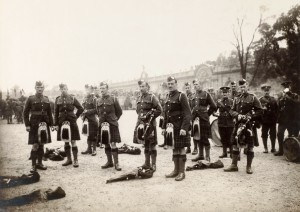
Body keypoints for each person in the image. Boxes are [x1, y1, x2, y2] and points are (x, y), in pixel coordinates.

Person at [224, 79, 263, 174]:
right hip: (238, 124)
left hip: (249, 125)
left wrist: (250, 115)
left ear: (247, 87)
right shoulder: (236, 98)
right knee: (235, 144)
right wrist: (237, 115)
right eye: (241, 87)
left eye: (244, 87)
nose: (242, 89)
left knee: (250, 146)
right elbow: (231, 111)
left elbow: (260, 110)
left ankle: (249, 166)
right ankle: (234, 165)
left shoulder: (253, 98)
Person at [163, 76, 192, 181]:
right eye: (169, 84)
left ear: (176, 84)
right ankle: (175, 170)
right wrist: (163, 127)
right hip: (171, 128)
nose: (170, 85)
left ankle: (181, 172)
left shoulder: (181, 96)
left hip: (180, 128)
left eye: (172, 83)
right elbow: (166, 114)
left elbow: (188, 113)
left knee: (181, 149)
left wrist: (184, 128)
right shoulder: (168, 96)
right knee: (174, 148)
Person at [23, 81, 53, 173]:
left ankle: (40, 163)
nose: (40, 89)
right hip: (34, 124)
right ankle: (33, 165)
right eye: (38, 87)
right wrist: (27, 125)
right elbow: (25, 112)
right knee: (35, 145)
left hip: (44, 124)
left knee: (42, 144)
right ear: (35, 88)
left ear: (43, 88)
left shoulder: (46, 99)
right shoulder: (30, 99)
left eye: (41, 87)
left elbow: (49, 113)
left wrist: (52, 124)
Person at [133, 80, 162, 171]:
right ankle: (146, 163)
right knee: (145, 144)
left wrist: (151, 117)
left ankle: (153, 164)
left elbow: (159, 109)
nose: (141, 88)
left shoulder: (152, 97)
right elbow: (138, 111)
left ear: (147, 87)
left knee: (152, 144)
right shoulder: (139, 98)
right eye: (140, 87)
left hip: (150, 125)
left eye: (143, 86)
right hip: (141, 124)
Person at [54, 83, 84, 167]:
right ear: (60, 90)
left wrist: (76, 116)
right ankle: (68, 159)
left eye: (64, 89)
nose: (63, 90)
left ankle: (75, 160)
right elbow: (55, 112)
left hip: (72, 121)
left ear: (67, 89)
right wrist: (56, 124)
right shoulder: (57, 99)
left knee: (73, 141)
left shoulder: (72, 98)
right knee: (66, 141)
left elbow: (80, 108)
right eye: (61, 89)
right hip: (62, 121)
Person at [96, 82, 123, 171]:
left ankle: (116, 163)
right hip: (102, 124)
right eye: (101, 88)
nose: (102, 90)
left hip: (112, 124)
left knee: (113, 143)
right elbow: (98, 112)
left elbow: (119, 112)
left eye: (103, 88)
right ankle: (109, 162)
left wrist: (114, 119)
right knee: (106, 142)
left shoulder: (114, 99)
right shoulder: (98, 100)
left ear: (107, 89)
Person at [191, 79, 217, 162]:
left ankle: (207, 156)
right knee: (198, 137)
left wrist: (207, 114)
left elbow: (214, 106)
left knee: (205, 137)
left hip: (204, 119)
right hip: (195, 120)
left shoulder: (206, 94)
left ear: (201, 85)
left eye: (197, 84)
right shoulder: (193, 96)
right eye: (194, 84)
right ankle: (200, 155)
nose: (196, 86)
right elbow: (191, 107)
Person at [275, 81, 299, 156]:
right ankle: (281, 150)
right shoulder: (281, 96)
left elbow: (297, 102)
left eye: (287, 87)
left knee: (291, 135)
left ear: (290, 87)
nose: (286, 88)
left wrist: (289, 94)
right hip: (282, 119)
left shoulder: (294, 95)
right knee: (279, 134)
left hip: (291, 120)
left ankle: (291, 152)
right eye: (284, 87)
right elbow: (278, 106)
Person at [214, 86, 234, 158]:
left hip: (230, 122)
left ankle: (232, 152)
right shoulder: (219, 102)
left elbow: (234, 111)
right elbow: (214, 110)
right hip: (221, 122)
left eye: (226, 93)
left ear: (228, 93)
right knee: (223, 138)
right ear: (221, 93)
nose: (225, 94)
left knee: (230, 138)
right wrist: (215, 114)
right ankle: (224, 152)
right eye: (223, 93)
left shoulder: (232, 101)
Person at [259, 84, 278, 153]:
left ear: (269, 91)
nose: (266, 92)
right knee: (264, 134)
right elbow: (258, 110)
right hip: (264, 120)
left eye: (267, 91)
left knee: (273, 134)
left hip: (272, 120)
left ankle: (273, 148)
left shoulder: (273, 99)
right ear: (263, 91)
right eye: (265, 91)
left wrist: (276, 118)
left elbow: (277, 109)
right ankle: (265, 148)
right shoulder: (260, 100)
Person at [81, 85, 99, 156]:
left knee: (93, 135)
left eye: (88, 90)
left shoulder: (94, 99)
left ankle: (94, 149)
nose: (86, 91)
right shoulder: (85, 98)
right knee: (88, 134)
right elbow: (83, 107)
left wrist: (87, 111)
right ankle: (89, 149)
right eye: (86, 90)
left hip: (92, 119)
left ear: (91, 90)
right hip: (86, 119)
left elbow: (96, 110)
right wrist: (82, 113)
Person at [184, 82, 196, 154]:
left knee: (195, 132)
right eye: (186, 88)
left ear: (190, 88)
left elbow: (194, 107)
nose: (187, 89)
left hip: (193, 116)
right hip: (186, 117)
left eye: (188, 88)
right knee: (187, 132)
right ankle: (188, 147)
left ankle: (195, 148)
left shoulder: (193, 96)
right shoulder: (184, 96)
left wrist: (191, 116)